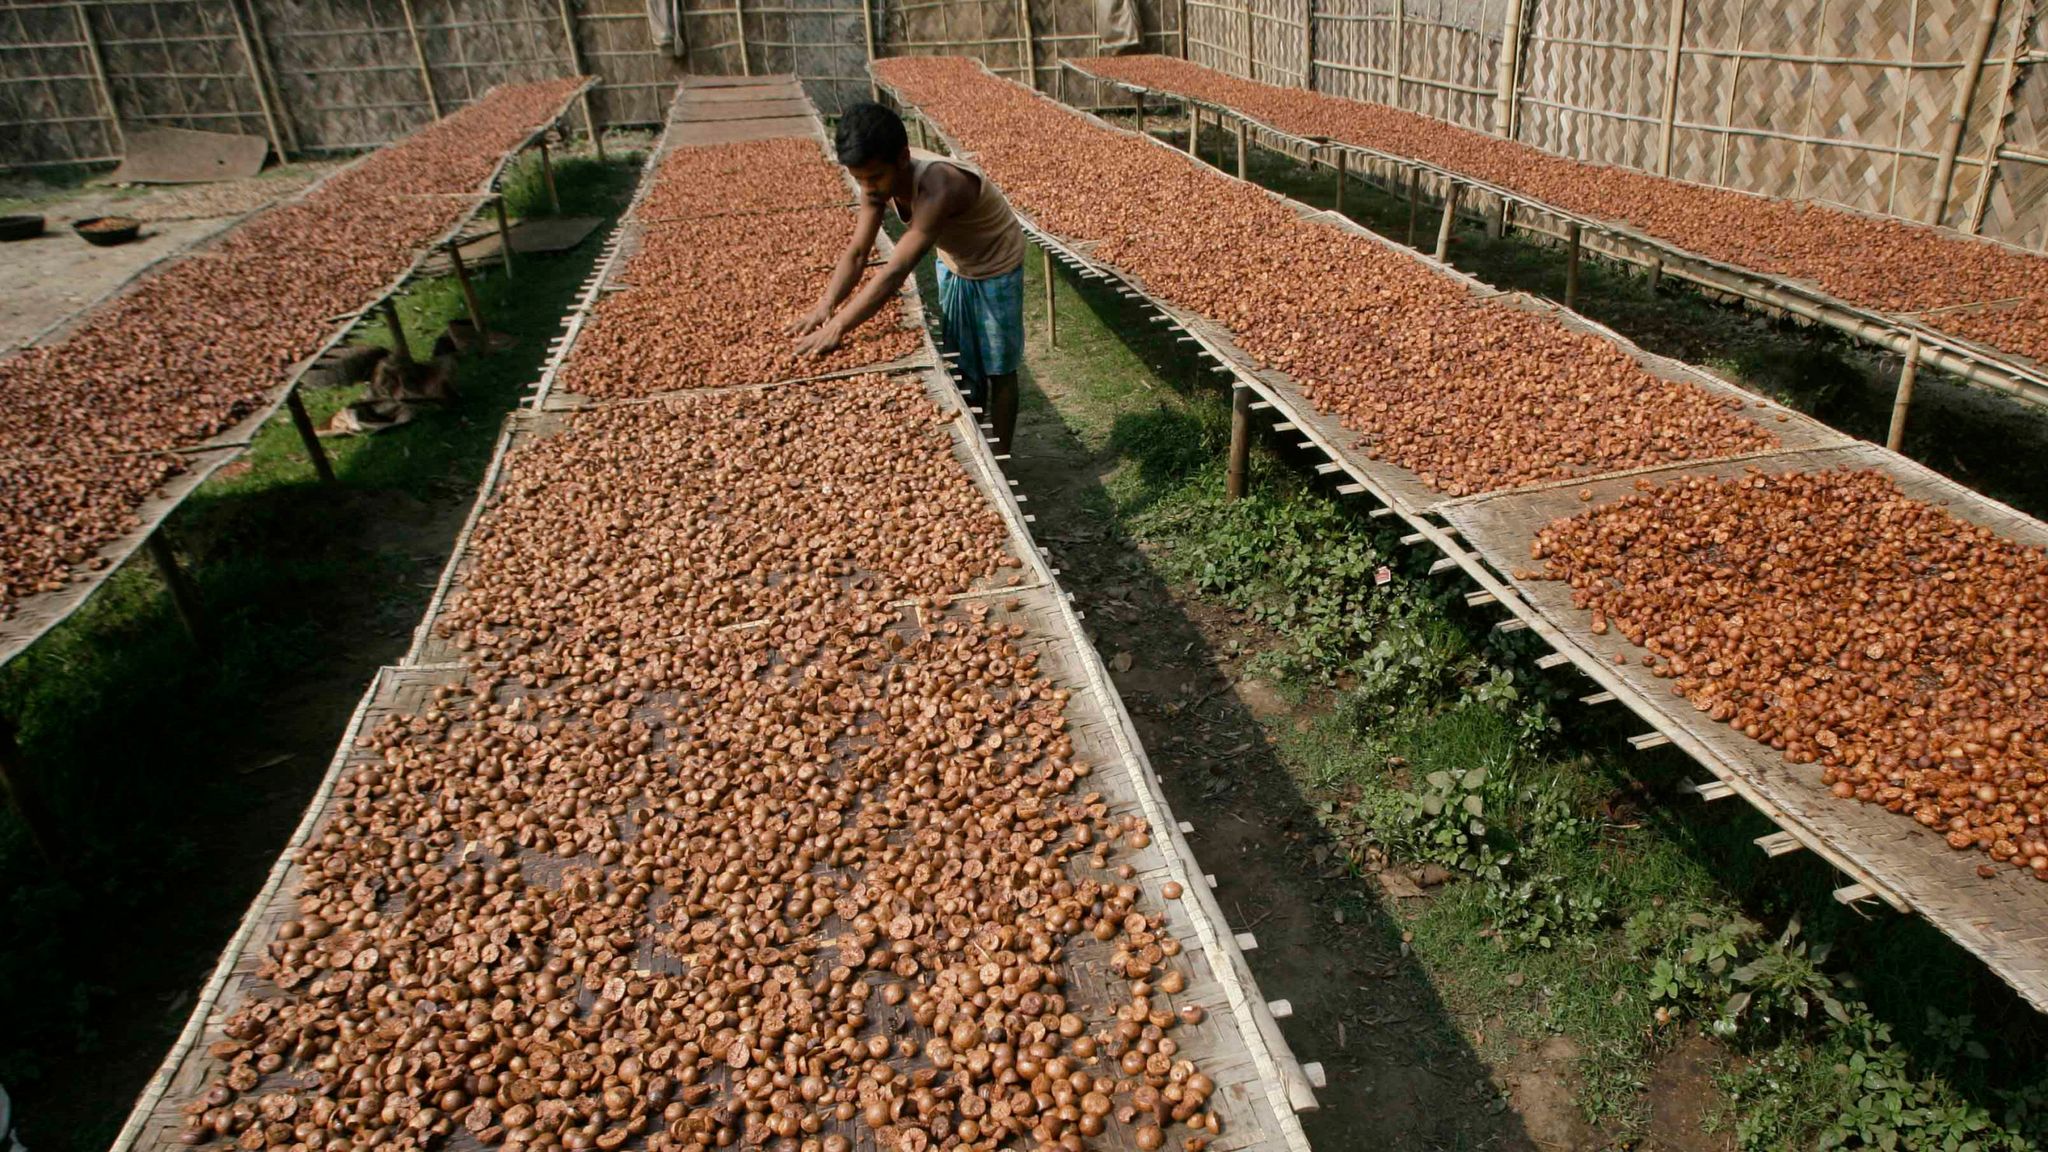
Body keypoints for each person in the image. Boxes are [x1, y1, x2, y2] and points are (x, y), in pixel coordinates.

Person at [789, 102, 1026, 453]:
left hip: (996, 264)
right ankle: (976, 435)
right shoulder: (878, 181)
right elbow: (858, 253)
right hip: (955, 258)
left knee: (998, 366)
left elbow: (896, 270)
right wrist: (825, 306)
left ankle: (1003, 453)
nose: (868, 188)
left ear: (902, 158)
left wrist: (839, 326)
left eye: (873, 178)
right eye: (860, 180)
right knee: (961, 356)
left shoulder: (939, 186)